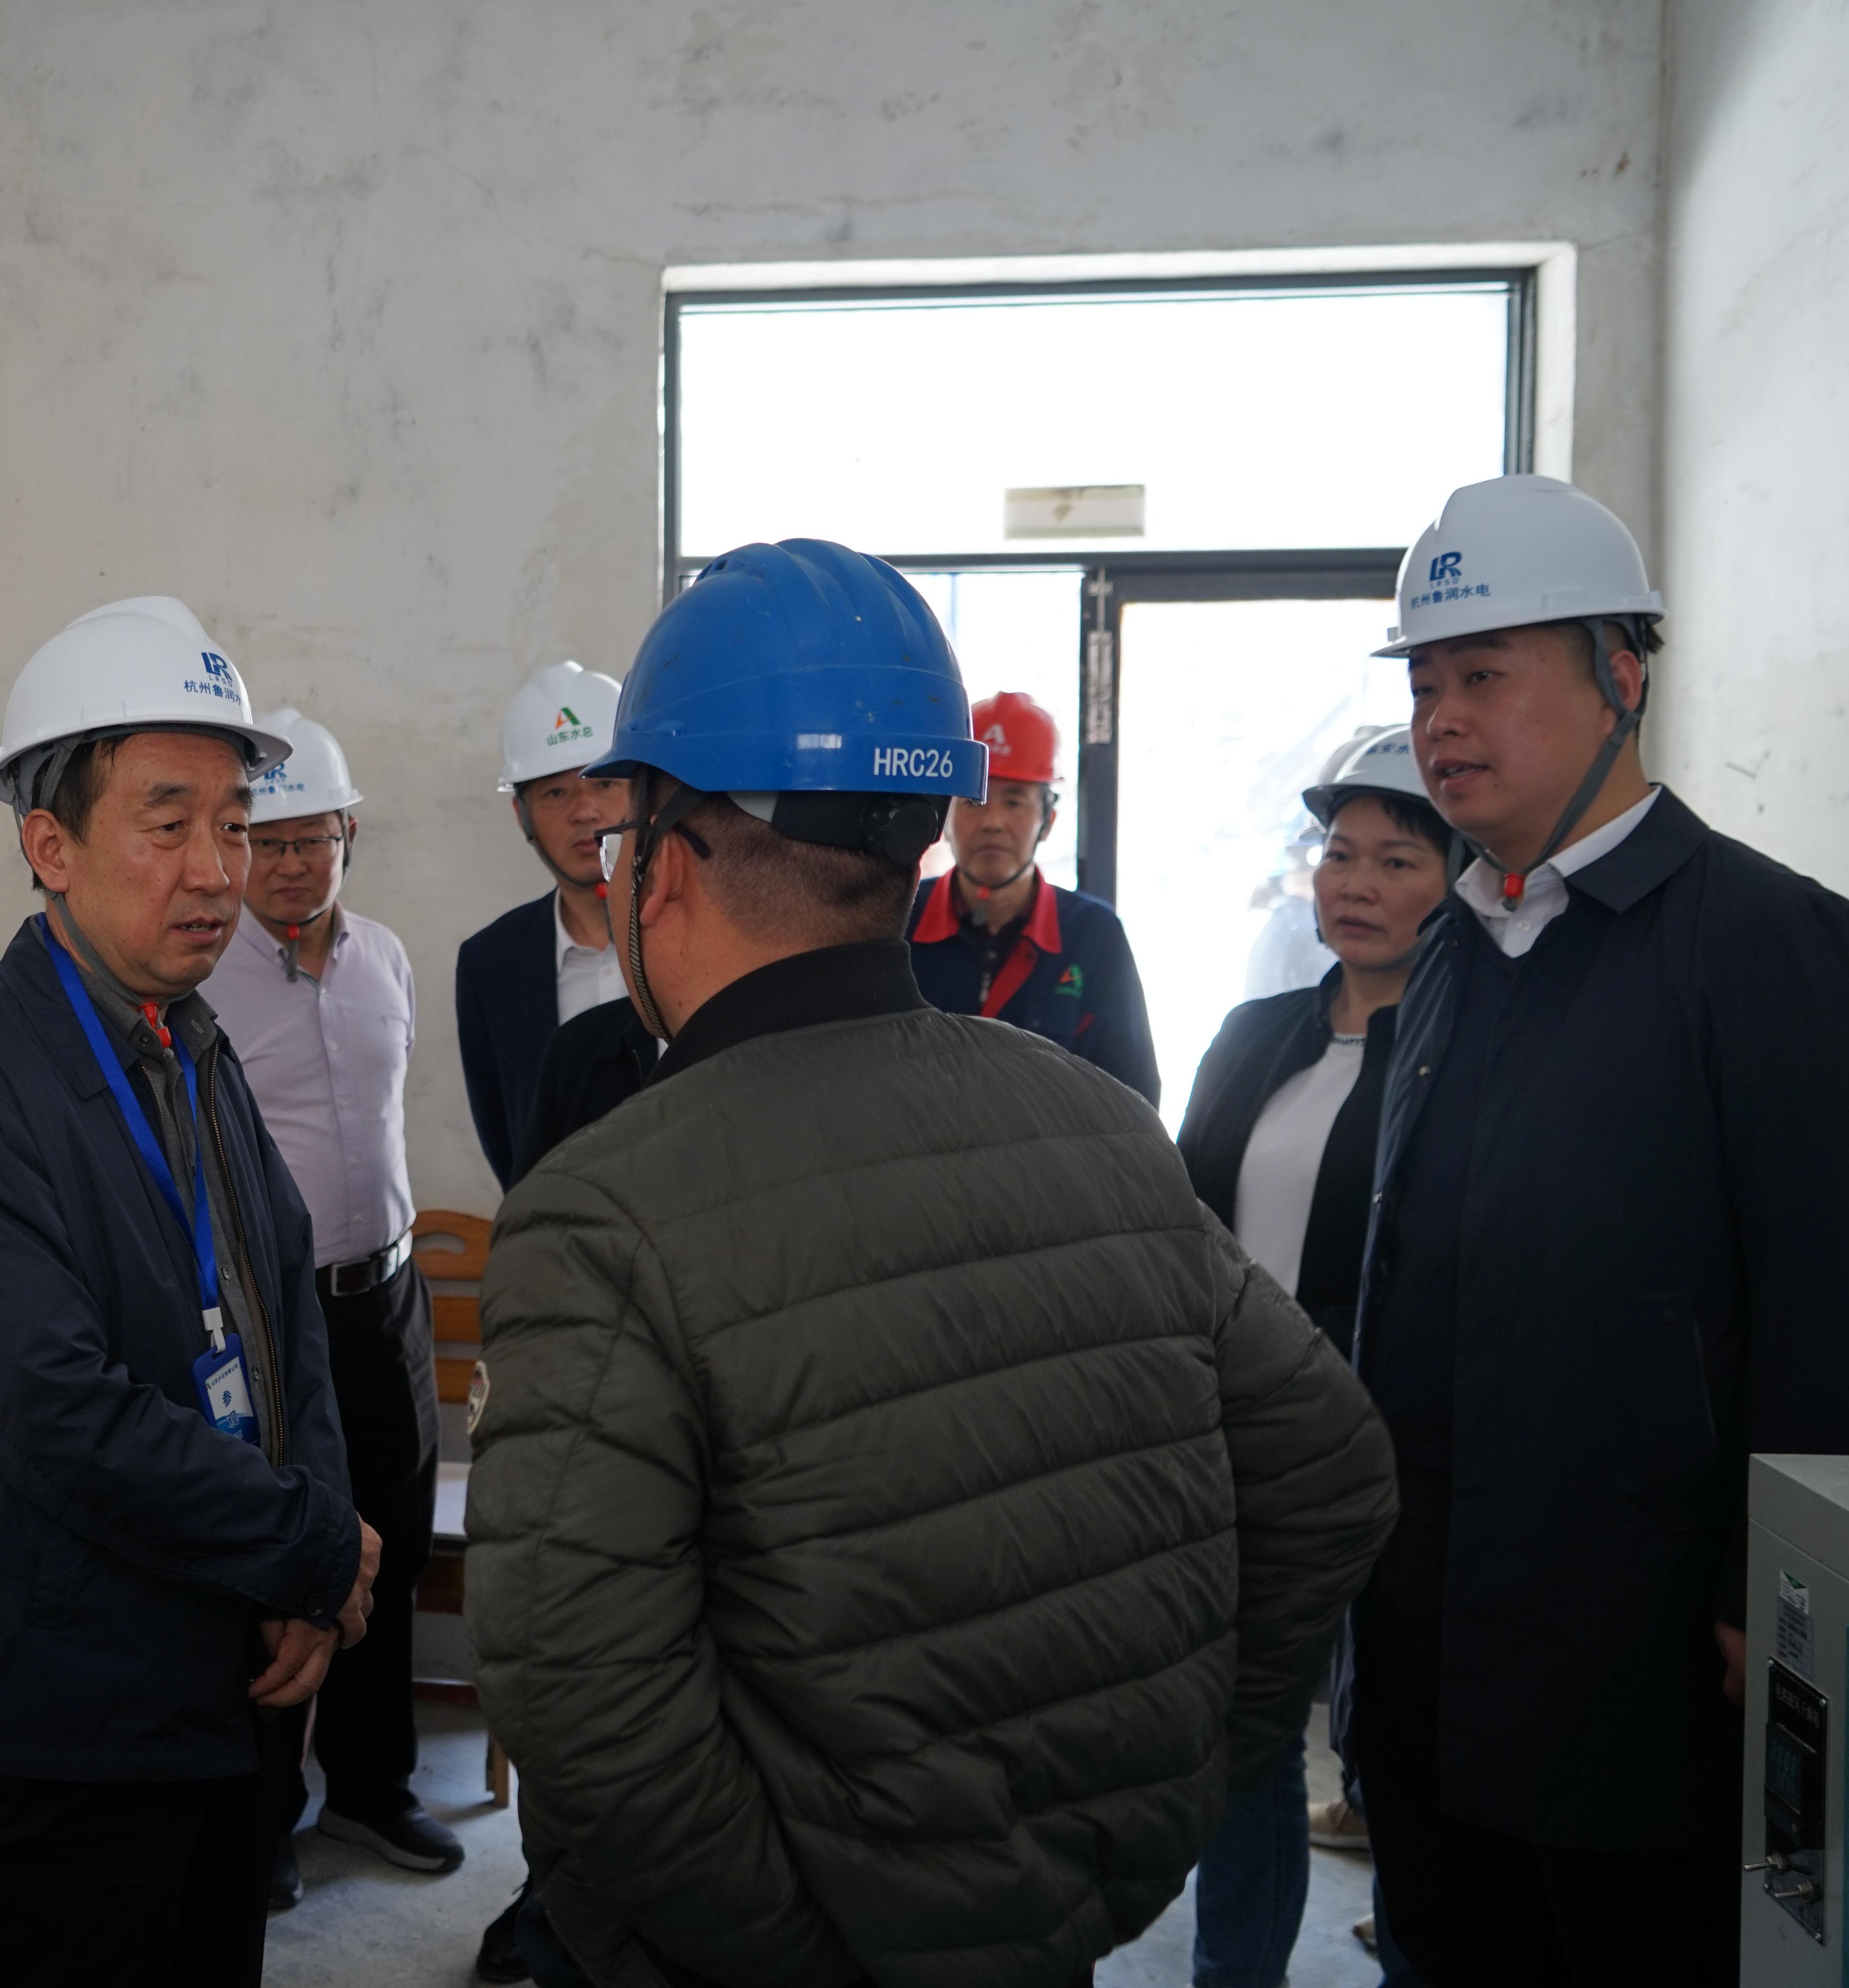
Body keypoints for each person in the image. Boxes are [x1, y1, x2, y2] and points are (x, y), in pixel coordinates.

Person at [465, 539, 1398, 1988]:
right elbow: (1332, 1469)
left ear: (663, 858)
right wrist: (1182, 1776)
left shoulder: (603, 1213)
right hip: (1059, 1928)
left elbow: (572, 1685)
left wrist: (784, 1943)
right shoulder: (1095, 1122)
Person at [1348, 474, 1849, 1988]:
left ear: (1620, 678)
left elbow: (1831, 1289)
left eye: (1484, 675)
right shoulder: (1458, 945)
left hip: (1646, 1671)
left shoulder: (1765, 942)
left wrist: (1775, 1600)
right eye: (1425, 683)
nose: (1442, 721)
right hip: (1432, 1648)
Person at [0, 597, 380, 1988]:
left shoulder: (190, 1043)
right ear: (51, 846)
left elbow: (285, 1314)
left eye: (234, 823)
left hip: (227, 1685)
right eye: (169, 825)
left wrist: (313, 1544)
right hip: (66, 1722)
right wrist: (303, 1543)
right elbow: (62, 1415)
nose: (217, 871)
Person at [1176, 723, 1454, 1988]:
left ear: (1457, 883)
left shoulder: (1468, 1050)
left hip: (1395, 1450)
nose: (1357, 883)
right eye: (1341, 853)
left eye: (1398, 860)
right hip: (1238, 1438)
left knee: (1397, 1738)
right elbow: (1184, 1217)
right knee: (1245, 1736)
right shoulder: (1255, 1030)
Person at [199, 708, 464, 1906]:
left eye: (318, 837)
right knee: (278, 1562)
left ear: (351, 833)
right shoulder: (203, 980)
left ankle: (370, 1783)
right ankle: (259, 1818)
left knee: (391, 1548)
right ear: (239, 844)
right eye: (272, 840)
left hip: (390, 1299)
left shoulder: (386, 958)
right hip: (272, 1317)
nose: (296, 863)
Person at [906, 691, 1162, 1104]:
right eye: (974, 801)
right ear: (945, 817)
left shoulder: (1093, 936)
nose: (992, 822)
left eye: (1014, 801)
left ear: (1048, 820)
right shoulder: (899, 919)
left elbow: (1135, 1098)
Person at [455, 662, 652, 1187]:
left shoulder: (707, 930)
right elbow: (508, 1141)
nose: (585, 811)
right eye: (555, 793)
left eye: (604, 782)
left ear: (644, 793)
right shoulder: (490, 963)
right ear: (522, 817)